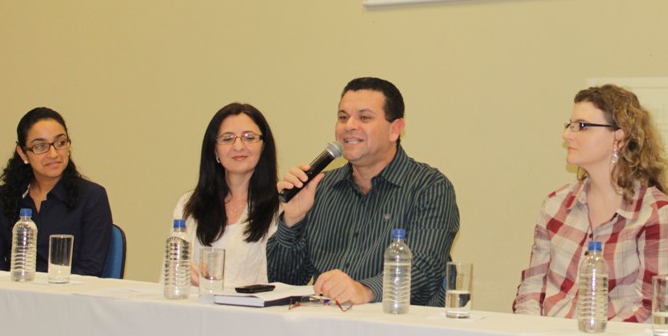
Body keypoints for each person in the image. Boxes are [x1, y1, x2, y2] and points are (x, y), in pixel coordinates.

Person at [267, 77, 459, 306]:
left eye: (364, 117)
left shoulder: (429, 187)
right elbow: (282, 280)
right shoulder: (321, 187)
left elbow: (425, 269)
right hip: (329, 327)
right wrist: (293, 220)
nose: (349, 126)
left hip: (403, 331)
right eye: (343, 117)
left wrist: (365, 290)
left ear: (395, 129)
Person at [513, 84, 668, 321]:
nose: (567, 134)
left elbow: (654, 313)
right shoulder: (556, 205)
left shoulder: (655, 215)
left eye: (582, 126)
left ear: (619, 138)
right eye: (569, 125)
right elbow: (532, 289)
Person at [0, 107, 113, 275]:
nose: (53, 154)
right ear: (23, 154)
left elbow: (89, 270)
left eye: (60, 143)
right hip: (14, 295)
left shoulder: (92, 197)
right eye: (40, 146)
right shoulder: (6, 197)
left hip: (66, 297)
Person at [170, 103, 280, 287]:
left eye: (249, 137)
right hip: (194, 310)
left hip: (252, 313)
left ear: (263, 146)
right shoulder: (189, 205)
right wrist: (181, 272)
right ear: (214, 150)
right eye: (227, 139)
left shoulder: (282, 208)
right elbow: (171, 273)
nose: (238, 146)